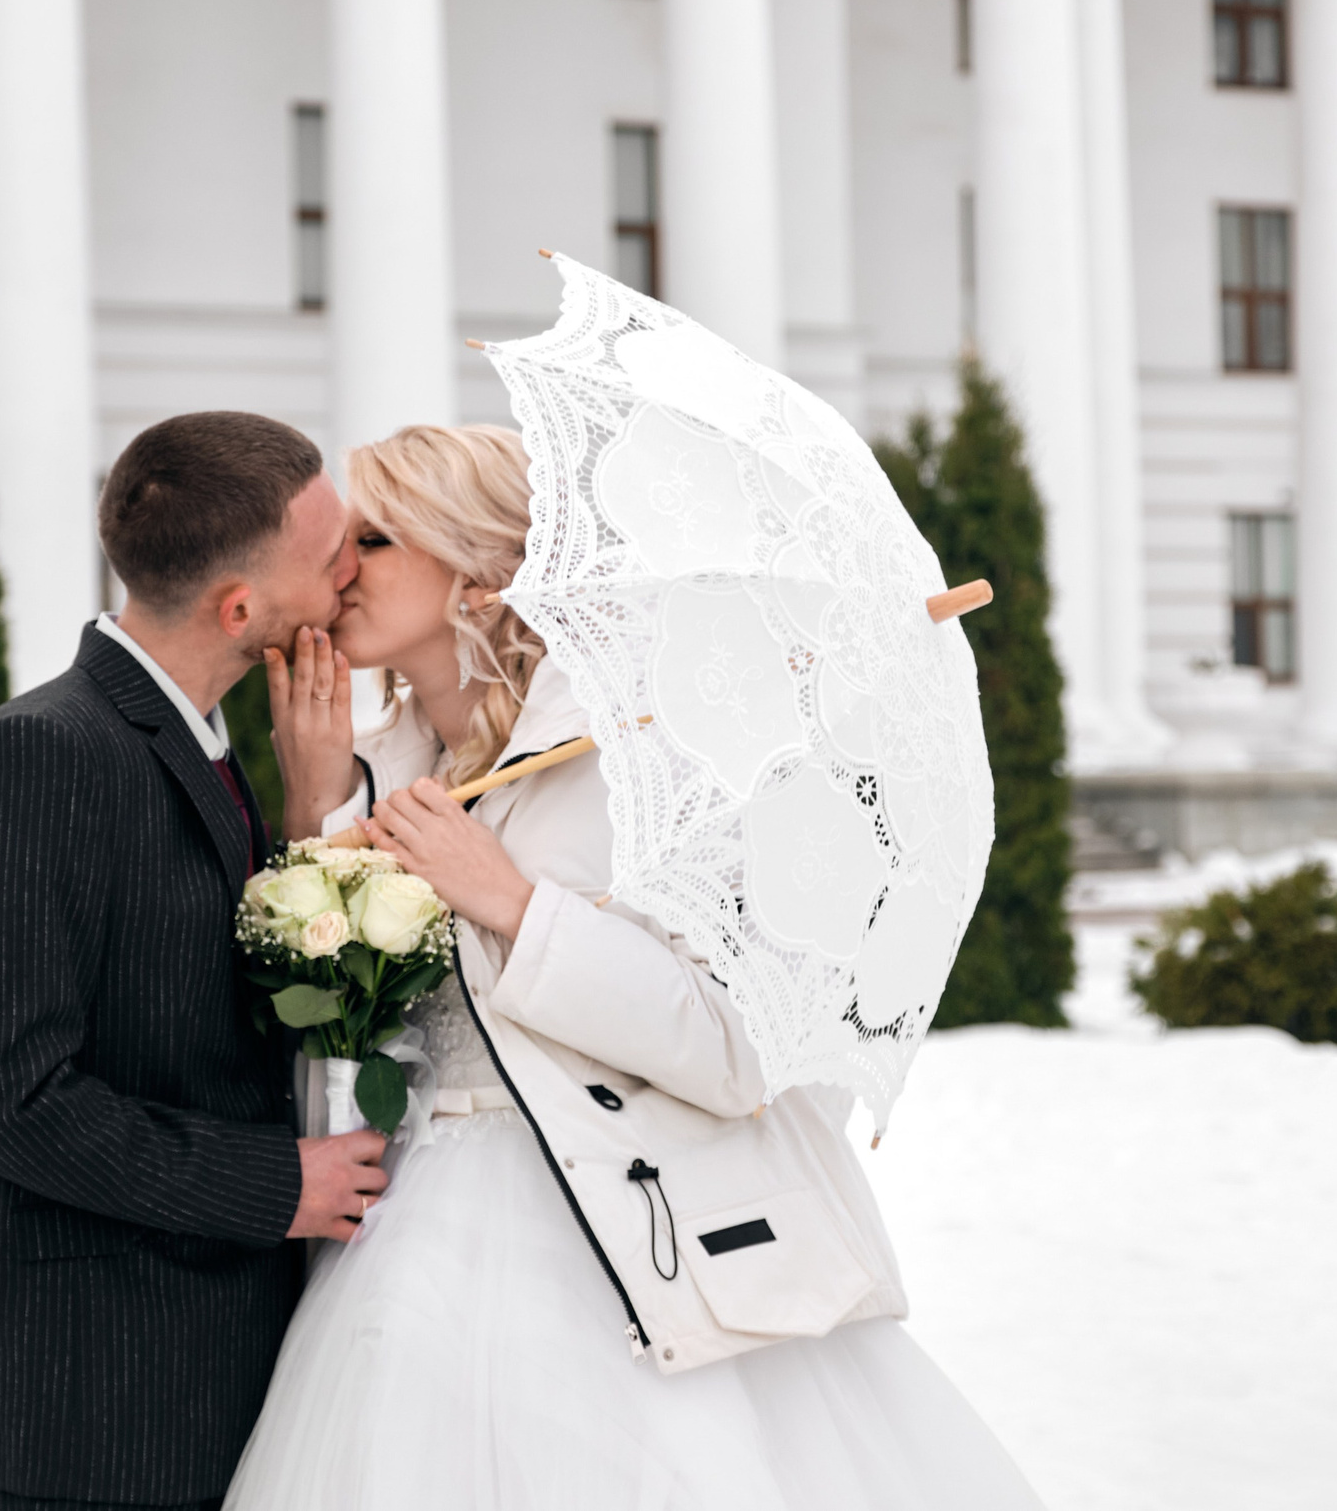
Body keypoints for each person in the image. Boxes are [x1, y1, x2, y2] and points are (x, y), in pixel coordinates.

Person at [226, 424, 1044, 1510]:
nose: (338, 573)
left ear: (479, 570)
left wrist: (513, 903)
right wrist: (319, 808)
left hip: (626, 1236)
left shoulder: (644, 759)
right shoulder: (371, 764)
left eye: (373, 540)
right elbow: (334, 1051)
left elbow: (731, 1049)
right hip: (401, 1245)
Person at [0, 411, 395, 1511]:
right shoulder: (43, 753)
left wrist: (315, 808)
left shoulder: (206, 737)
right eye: (334, 557)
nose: (354, 574)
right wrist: (279, 1183)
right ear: (239, 609)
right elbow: (0, 1096)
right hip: (98, 1405)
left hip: (215, 1372)